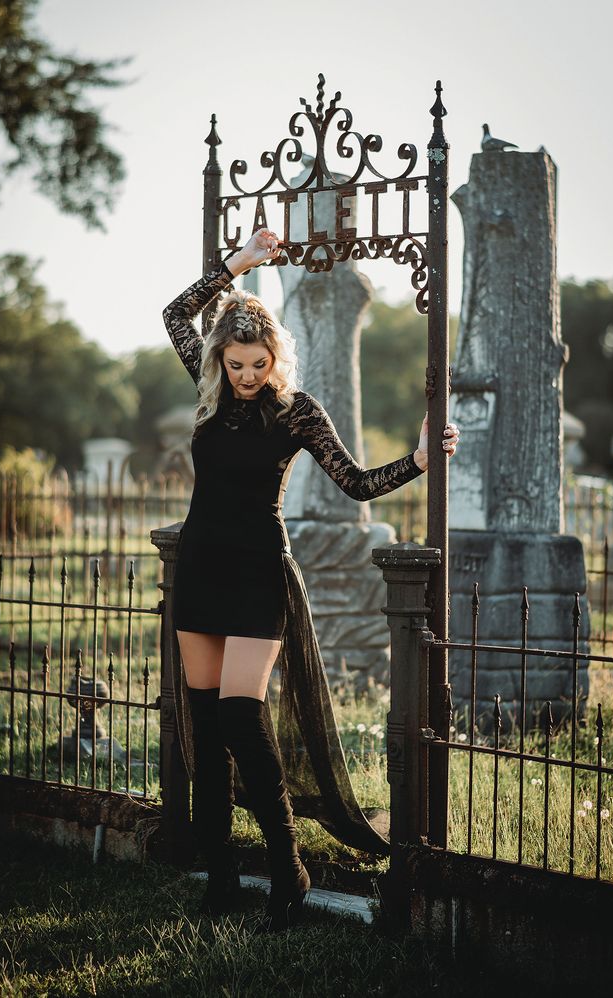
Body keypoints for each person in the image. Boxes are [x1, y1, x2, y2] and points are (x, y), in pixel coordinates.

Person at [162, 228, 460, 932]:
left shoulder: (296, 410)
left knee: (241, 714)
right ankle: (221, 879)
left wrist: (416, 459)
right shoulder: (209, 395)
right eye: (234, 363)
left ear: (275, 357)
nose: (244, 375)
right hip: (201, 568)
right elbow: (175, 314)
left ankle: (287, 869)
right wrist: (234, 268)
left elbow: (355, 483)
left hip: (258, 571)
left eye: (255, 363)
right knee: (204, 729)